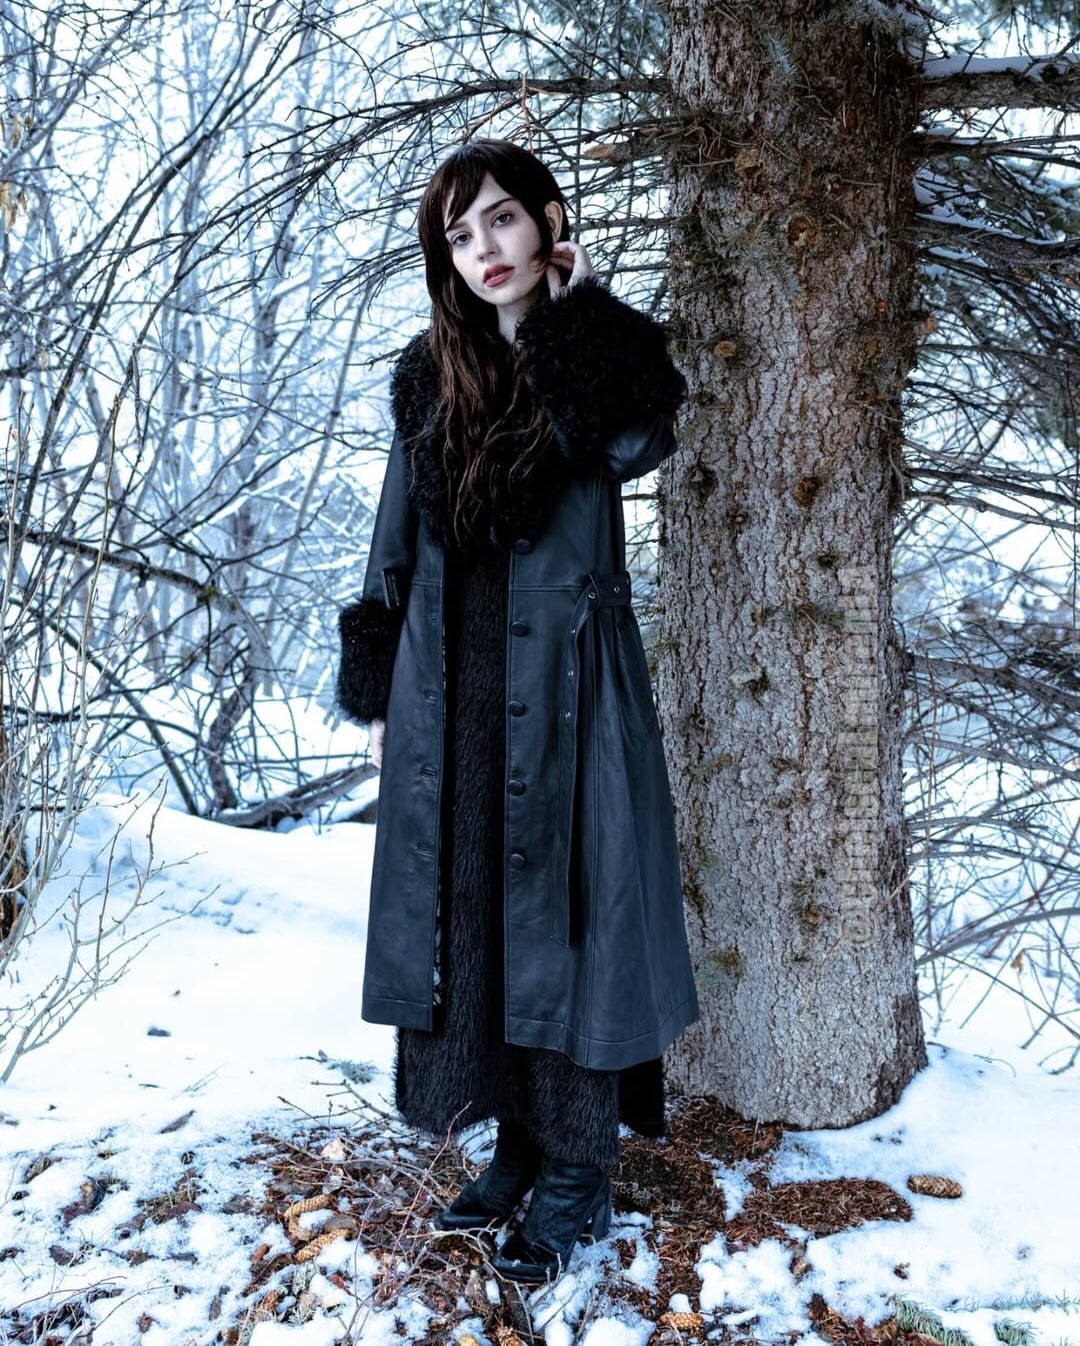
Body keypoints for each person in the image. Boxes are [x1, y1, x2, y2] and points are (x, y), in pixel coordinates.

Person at [335, 138, 699, 1284]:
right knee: (476, 921)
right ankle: (515, 1146)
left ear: (547, 220)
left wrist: (578, 318)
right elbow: (394, 536)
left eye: (500, 218)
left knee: (573, 927)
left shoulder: (588, 354)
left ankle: (579, 1165)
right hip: (451, 689)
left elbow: (641, 439)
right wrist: (377, 683)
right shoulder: (429, 371)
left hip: (571, 690)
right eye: (459, 233)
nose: (484, 248)